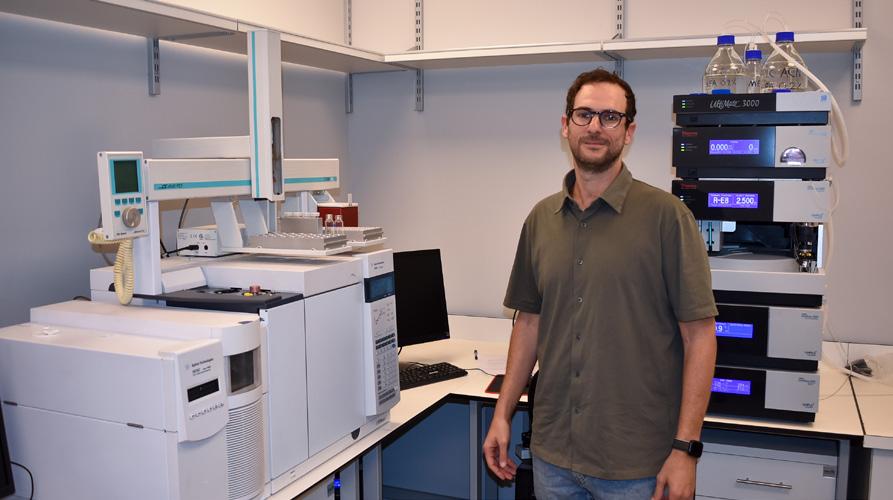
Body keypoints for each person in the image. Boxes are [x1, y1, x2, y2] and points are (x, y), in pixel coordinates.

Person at [482, 68, 718, 500]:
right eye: (584, 114)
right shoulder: (541, 220)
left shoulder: (667, 218)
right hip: (553, 456)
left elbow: (700, 337)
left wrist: (686, 450)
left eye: (610, 117)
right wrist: (502, 414)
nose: (595, 127)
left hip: (636, 464)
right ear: (565, 125)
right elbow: (529, 324)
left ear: (629, 132)